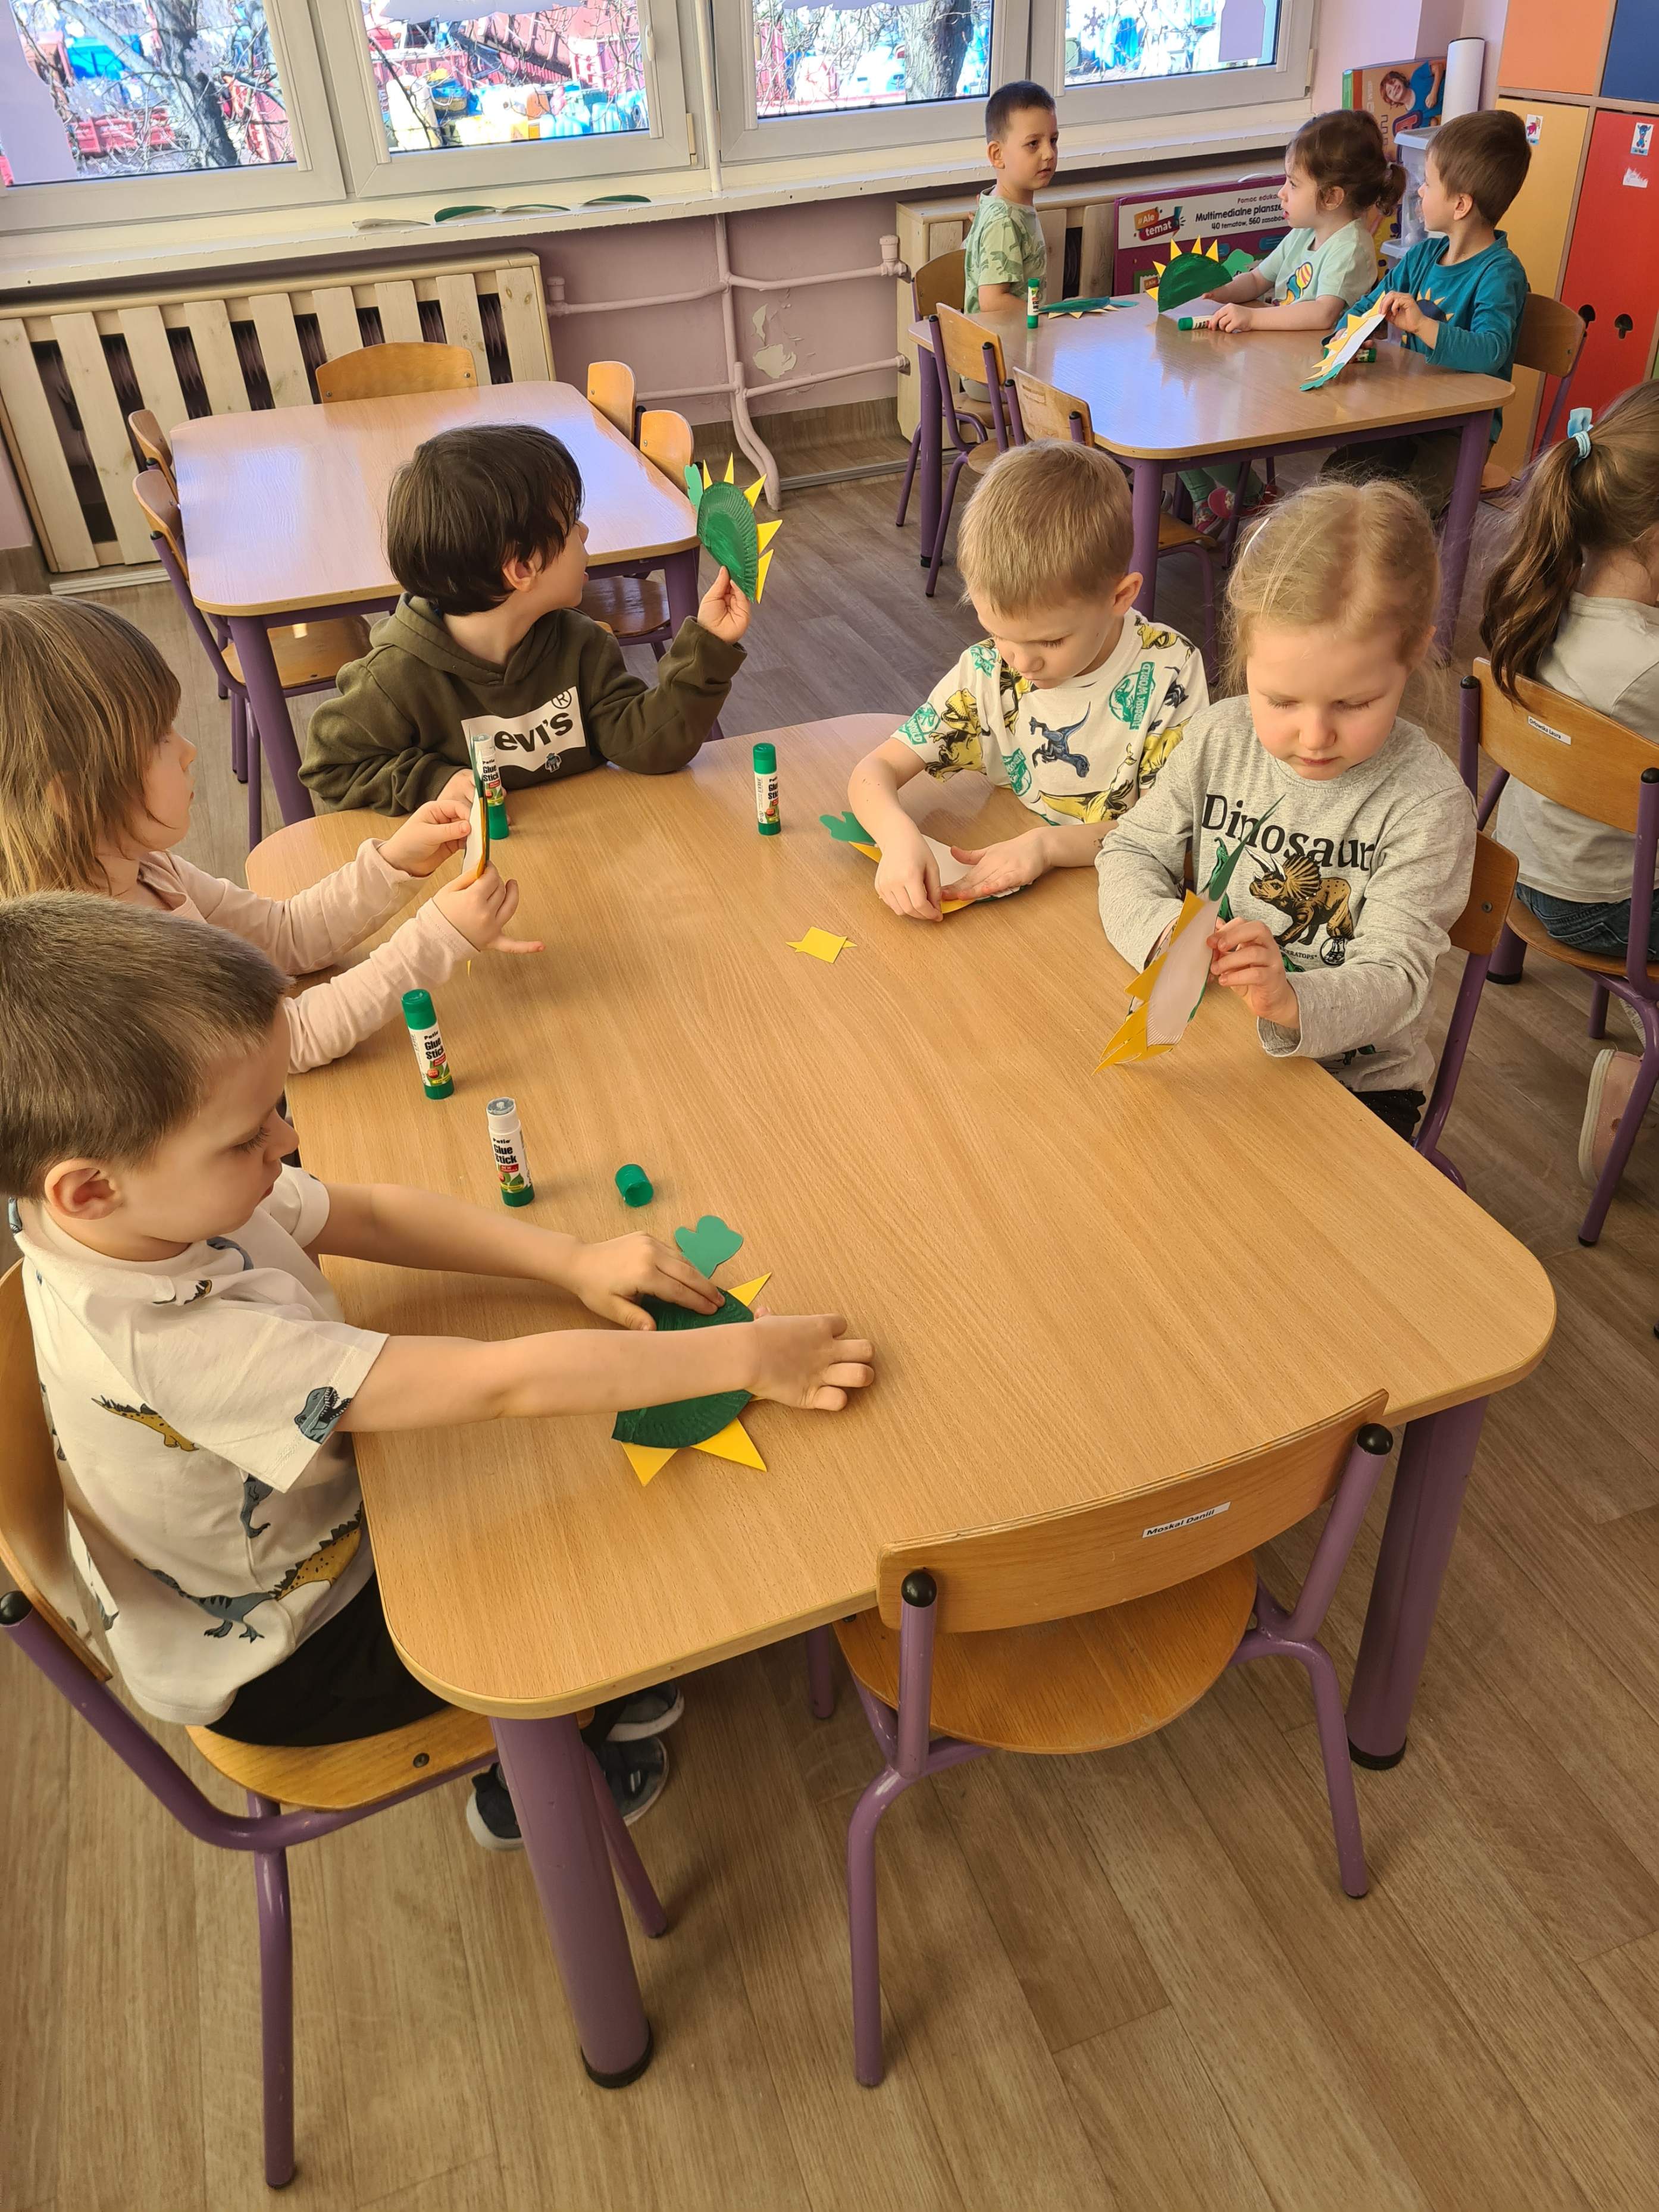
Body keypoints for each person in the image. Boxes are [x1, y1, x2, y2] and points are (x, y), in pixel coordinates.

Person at [1, 895, 874, 1838]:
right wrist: (745, 1354)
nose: (286, 1141)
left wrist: (571, 1259)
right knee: (600, 1565)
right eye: (250, 1134)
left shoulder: (145, 1204)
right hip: (297, 1655)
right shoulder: (178, 1342)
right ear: (88, 1188)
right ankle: (535, 1778)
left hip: (308, 1536)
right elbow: (499, 1383)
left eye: (276, 1112)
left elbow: (367, 1212)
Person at [0, 597, 528, 1075]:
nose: (188, 750)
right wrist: (436, 939)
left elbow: (283, 936)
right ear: (71, 796)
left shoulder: (141, 864)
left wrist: (395, 862)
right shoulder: (96, 962)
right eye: (159, 738)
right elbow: (280, 1044)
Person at [1096, 480, 1475, 1139]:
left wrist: (1290, 998)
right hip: (1217, 1035)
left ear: (1415, 652)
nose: (1314, 736)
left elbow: (1396, 978)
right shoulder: (1219, 737)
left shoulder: (1427, 804)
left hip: (1355, 1086)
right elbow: (1129, 849)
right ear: (1246, 655)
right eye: (1280, 701)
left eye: (1353, 704)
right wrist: (1163, 931)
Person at [301, 424, 749, 814]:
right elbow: (330, 767)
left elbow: (648, 743)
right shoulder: (393, 679)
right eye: (571, 522)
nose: (585, 531)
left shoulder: (582, 645)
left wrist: (709, 645)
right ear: (521, 570)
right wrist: (433, 783)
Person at [847, 440, 1206, 919]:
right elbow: (873, 772)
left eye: (1051, 642)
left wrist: (1047, 847)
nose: (1021, 663)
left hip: (1125, 904)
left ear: (1121, 597)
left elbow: (1171, 835)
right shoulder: (988, 669)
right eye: (999, 634)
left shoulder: (1169, 673)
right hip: (1035, 911)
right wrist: (896, 838)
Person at [1479, 382, 1659, 1183]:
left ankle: (1508, 957)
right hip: (1608, 911)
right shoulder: (1647, 666)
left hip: (1519, 869)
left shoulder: (1541, 596)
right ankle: (1637, 1072)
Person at [1184, 109, 1405, 533]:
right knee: (1191, 398)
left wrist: (1253, 317)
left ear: (1332, 197)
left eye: (1293, 183)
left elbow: (1324, 313)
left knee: (1209, 410)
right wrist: (1217, 291)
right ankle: (1213, 500)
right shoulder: (1304, 234)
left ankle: (1248, 496)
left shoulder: (1351, 247)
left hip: (1312, 385)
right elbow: (1258, 279)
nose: (1281, 193)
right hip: (1277, 365)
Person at [1325, 107, 1531, 514]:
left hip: (1460, 430)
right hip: (1405, 412)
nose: (1419, 191)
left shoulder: (1500, 273)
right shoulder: (1422, 257)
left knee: (1405, 506)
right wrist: (1346, 337)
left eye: (1429, 183)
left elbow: (1492, 351)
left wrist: (1422, 326)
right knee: (1337, 477)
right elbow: (1368, 306)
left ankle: (1408, 555)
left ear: (1461, 205)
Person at [961, 79, 1058, 316]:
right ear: (997, 155)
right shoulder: (1003, 221)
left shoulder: (999, 206)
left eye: (1053, 140)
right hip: (1002, 339)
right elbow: (992, 302)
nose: (1049, 153)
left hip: (1019, 333)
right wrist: (1047, 317)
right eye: (1033, 144)